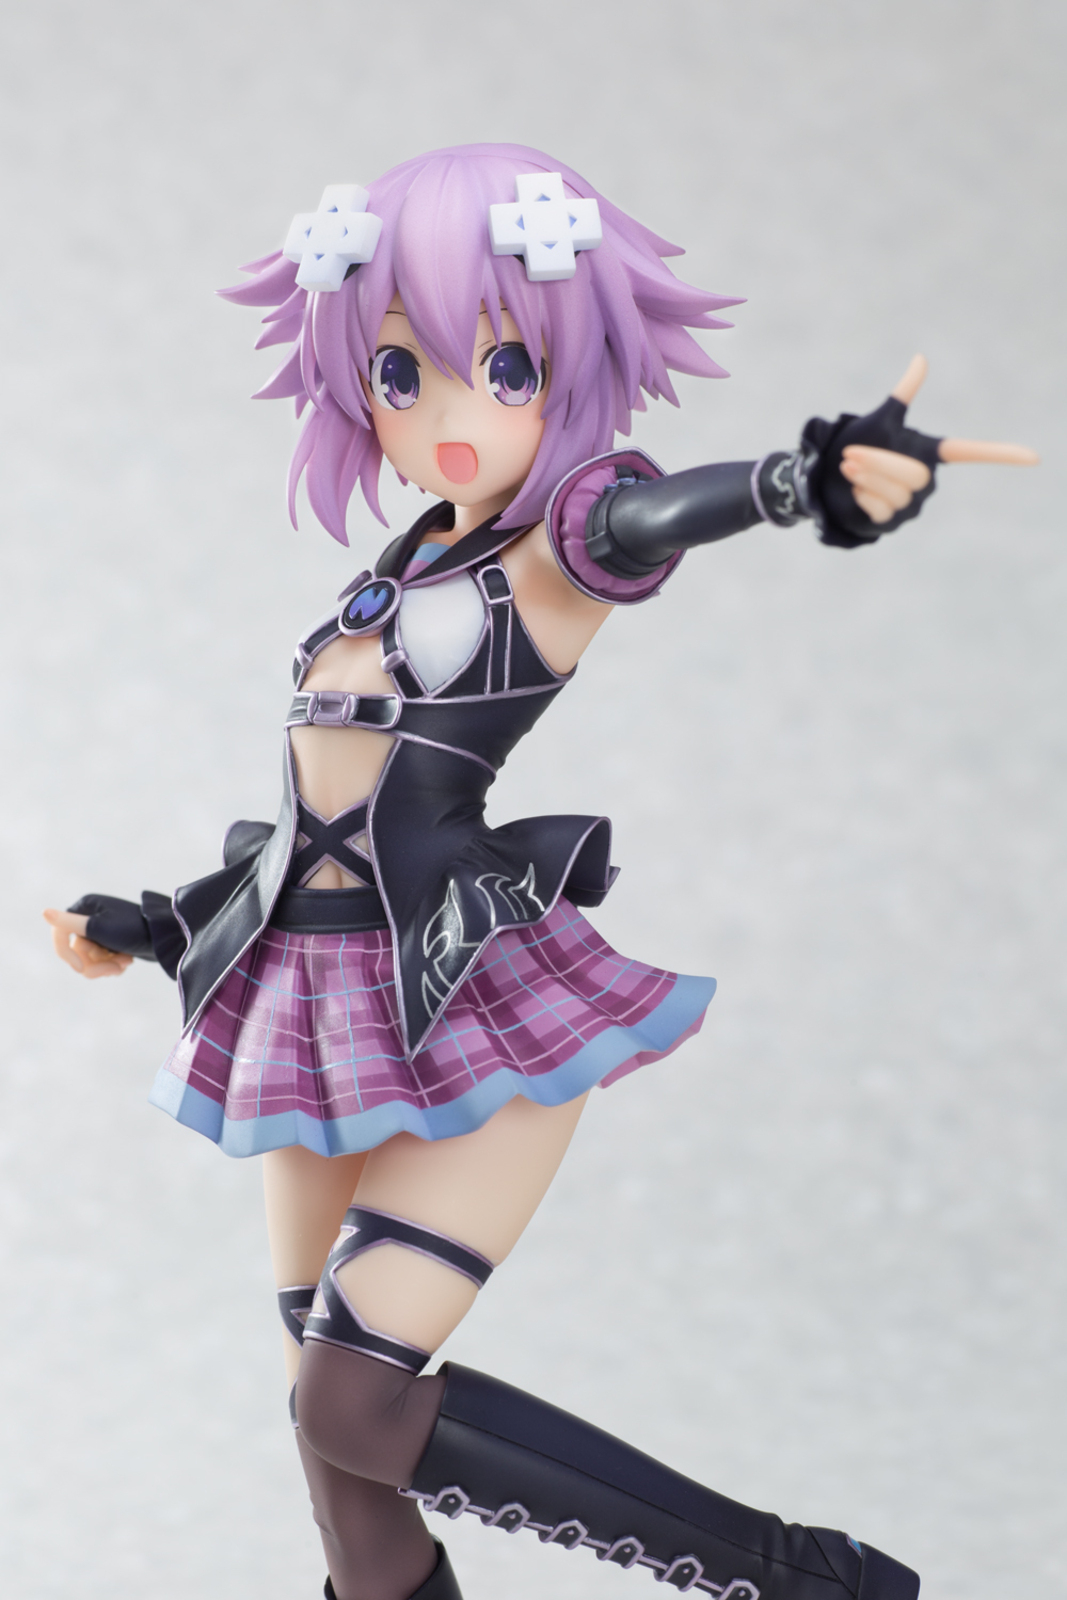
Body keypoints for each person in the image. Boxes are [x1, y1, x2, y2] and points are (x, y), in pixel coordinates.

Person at [44, 144, 1036, 1600]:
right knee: (332, 1442)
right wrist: (153, 921)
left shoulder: (557, 550)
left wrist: (795, 482)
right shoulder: (392, 571)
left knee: (354, 1401)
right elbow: (314, 816)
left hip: (464, 1001)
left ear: (570, 371)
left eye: (504, 367)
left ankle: (810, 1580)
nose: (450, 416)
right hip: (314, 1000)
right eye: (401, 374)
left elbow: (653, 518)